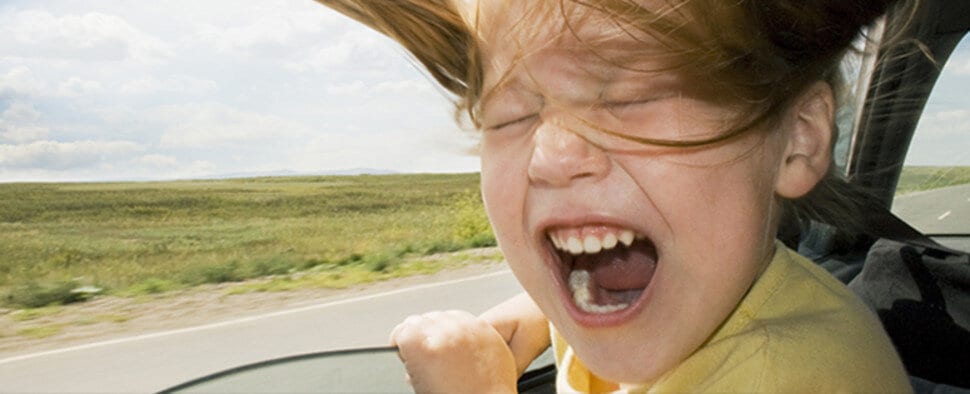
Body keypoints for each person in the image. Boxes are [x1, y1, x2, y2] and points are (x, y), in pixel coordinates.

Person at [317, 0, 914, 392]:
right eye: (508, 116)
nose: (550, 156)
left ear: (797, 140)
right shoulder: (690, 295)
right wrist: (543, 311)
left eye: (628, 97)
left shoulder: (798, 378)